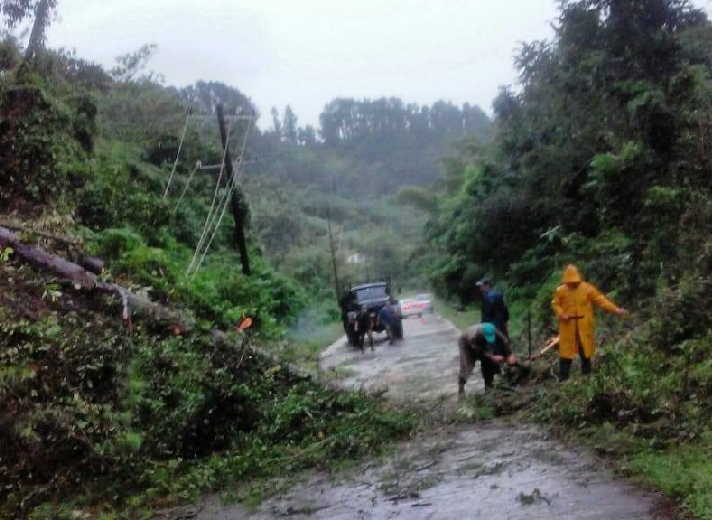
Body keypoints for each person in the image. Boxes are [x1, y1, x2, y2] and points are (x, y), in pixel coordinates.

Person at [551, 264, 627, 381]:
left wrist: (615, 309)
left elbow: (600, 300)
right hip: (567, 326)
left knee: (585, 351)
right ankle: (563, 379)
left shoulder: (587, 288)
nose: (572, 283)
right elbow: (555, 304)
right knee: (565, 353)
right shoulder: (560, 291)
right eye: (569, 281)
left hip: (584, 325)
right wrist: (562, 314)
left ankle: (587, 377)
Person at [458, 322, 517, 394]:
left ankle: (491, 385)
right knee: (468, 365)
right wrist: (492, 357)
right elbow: (478, 351)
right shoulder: (473, 336)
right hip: (466, 342)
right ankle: (461, 387)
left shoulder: (492, 329)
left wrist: (509, 354)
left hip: (480, 341)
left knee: (491, 359)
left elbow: (504, 340)